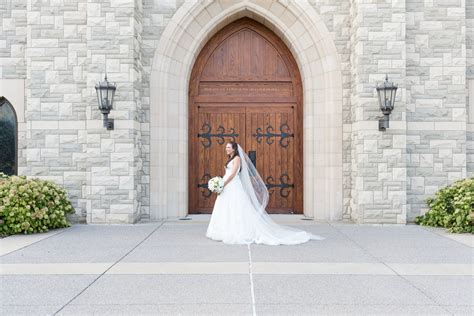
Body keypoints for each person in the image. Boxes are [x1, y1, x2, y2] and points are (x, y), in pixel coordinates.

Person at [206, 142, 324, 245]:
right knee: (226, 207)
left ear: (234, 148)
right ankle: (224, 230)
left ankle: (239, 231)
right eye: (226, 147)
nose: (226, 149)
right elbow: (227, 172)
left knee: (236, 207)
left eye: (228, 147)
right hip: (227, 185)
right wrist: (220, 183)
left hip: (232, 184)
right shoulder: (229, 159)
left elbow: (232, 174)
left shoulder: (237, 158)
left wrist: (223, 183)